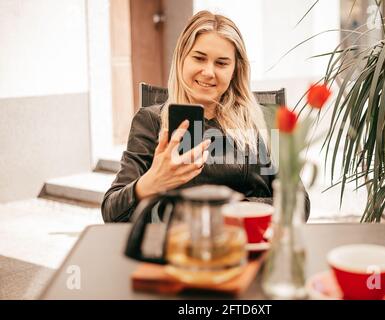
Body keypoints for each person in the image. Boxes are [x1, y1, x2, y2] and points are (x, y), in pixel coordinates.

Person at [101, 10, 310, 222]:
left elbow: (299, 205)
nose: (208, 72)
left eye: (221, 63)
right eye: (199, 58)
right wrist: (150, 182)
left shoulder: (264, 121)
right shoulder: (152, 121)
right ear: (182, 58)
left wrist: (230, 211)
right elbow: (112, 212)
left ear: (235, 70)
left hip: (250, 244)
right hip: (182, 247)